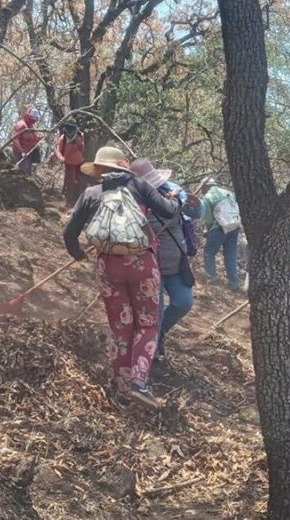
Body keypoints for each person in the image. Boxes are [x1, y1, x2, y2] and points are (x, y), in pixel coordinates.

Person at [64, 146, 180, 410]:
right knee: (148, 323)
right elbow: (169, 212)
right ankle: (140, 381)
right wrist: (173, 199)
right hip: (142, 264)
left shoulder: (91, 194)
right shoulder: (138, 185)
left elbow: (69, 232)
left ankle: (122, 387)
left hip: (108, 267)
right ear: (122, 167)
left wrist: (78, 253)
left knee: (121, 326)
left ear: (101, 170)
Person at [129, 159, 202, 365]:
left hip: (177, 263)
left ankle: (158, 336)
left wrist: (195, 204)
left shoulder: (174, 190)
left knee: (183, 302)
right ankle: (149, 355)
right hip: (151, 265)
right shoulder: (134, 200)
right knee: (156, 313)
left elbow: (195, 212)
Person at [199, 178, 241, 291]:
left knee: (209, 253)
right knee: (231, 255)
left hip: (219, 228)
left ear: (205, 187)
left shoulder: (207, 197)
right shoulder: (229, 193)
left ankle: (212, 280)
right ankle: (234, 284)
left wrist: (208, 231)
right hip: (234, 226)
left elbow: (208, 219)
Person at [55, 123, 86, 208]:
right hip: (69, 164)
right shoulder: (63, 138)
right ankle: (69, 201)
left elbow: (82, 149)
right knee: (70, 182)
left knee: (79, 181)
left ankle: (79, 200)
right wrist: (61, 158)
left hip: (79, 162)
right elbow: (58, 150)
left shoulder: (80, 135)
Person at [7, 107, 41, 174]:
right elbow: (15, 139)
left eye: (35, 120)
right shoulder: (21, 125)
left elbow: (34, 140)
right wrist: (21, 151)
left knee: (28, 173)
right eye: (32, 119)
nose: (34, 121)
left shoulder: (31, 127)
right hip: (20, 154)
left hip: (29, 155)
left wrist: (40, 138)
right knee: (22, 173)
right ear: (28, 116)